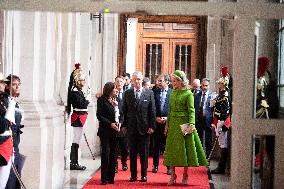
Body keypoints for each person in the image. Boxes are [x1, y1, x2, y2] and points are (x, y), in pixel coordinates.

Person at [164, 70, 208, 186]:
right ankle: (173, 174)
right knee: (172, 149)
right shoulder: (172, 92)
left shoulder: (188, 93)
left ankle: (185, 173)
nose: (172, 83)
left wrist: (192, 124)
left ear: (180, 81)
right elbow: (170, 110)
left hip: (184, 124)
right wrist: (167, 124)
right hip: (173, 123)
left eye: (174, 81)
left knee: (185, 149)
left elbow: (192, 110)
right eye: (172, 81)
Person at [122, 71, 156, 182]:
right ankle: (133, 175)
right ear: (132, 81)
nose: (137, 81)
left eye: (139, 79)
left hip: (145, 129)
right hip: (131, 129)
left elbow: (152, 111)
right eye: (135, 79)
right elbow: (124, 110)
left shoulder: (149, 93)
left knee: (144, 154)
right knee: (132, 153)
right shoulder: (127, 93)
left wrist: (152, 126)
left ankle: (144, 175)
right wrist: (124, 125)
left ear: (142, 80)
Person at [66, 64, 91, 170]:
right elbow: (81, 104)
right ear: (76, 81)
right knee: (75, 141)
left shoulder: (79, 91)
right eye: (81, 80)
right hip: (78, 118)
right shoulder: (74, 92)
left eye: (83, 80)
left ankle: (75, 161)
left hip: (81, 117)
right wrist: (88, 99)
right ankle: (73, 162)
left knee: (77, 140)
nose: (83, 82)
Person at [96, 82, 120, 185]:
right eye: (114, 88)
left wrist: (119, 123)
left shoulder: (116, 100)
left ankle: (111, 177)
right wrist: (110, 124)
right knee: (106, 153)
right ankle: (104, 178)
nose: (116, 90)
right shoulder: (101, 100)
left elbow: (120, 114)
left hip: (115, 131)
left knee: (113, 154)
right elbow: (99, 116)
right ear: (109, 90)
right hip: (105, 131)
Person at [4, 74, 25, 189]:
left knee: (15, 181)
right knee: (9, 182)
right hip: (8, 146)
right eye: (14, 84)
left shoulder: (14, 102)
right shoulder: (5, 102)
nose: (17, 87)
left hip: (15, 145)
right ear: (7, 86)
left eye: (19, 85)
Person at [152, 74, 171, 175]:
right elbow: (151, 108)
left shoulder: (173, 93)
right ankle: (155, 165)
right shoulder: (153, 92)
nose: (158, 83)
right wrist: (155, 118)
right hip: (157, 123)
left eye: (160, 81)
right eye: (158, 81)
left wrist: (168, 118)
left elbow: (174, 109)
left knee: (167, 146)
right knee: (156, 145)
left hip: (168, 124)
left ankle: (169, 167)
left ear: (167, 82)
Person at [211, 77, 231, 174]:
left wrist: (222, 123)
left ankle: (221, 167)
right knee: (221, 144)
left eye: (220, 83)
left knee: (223, 144)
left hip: (222, 121)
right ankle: (221, 166)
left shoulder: (225, 96)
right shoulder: (221, 94)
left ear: (223, 84)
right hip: (218, 120)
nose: (218, 84)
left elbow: (225, 111)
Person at [194, 78, 214, 159]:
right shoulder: (196, 96)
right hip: (199, 120)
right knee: (199, 140)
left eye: (206, 86)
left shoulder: (212, 96)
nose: (204, 87)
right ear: (201, 86)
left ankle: (208, 158)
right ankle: (199, 157)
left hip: (208, 120)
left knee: (208, 140)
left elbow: (214, 110)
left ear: (209, 86)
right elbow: (195, 108)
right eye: (203, 85)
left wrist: (214, 122)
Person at [0, 74, 13, 189]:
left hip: (6, 142)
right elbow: (2, 126)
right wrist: (9, 112)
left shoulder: (3, 100)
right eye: (1, 82)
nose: (4, 84)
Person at [114, 76, 128, 173]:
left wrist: (125, 125)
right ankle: (114, 165)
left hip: (124, 125)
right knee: (114, 147)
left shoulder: (127, 94)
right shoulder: (112, 93)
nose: (119, 83)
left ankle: (124, 162)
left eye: (121, 81)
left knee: (124, 147)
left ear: (124, 83)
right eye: (117, 81)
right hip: (114, 124)